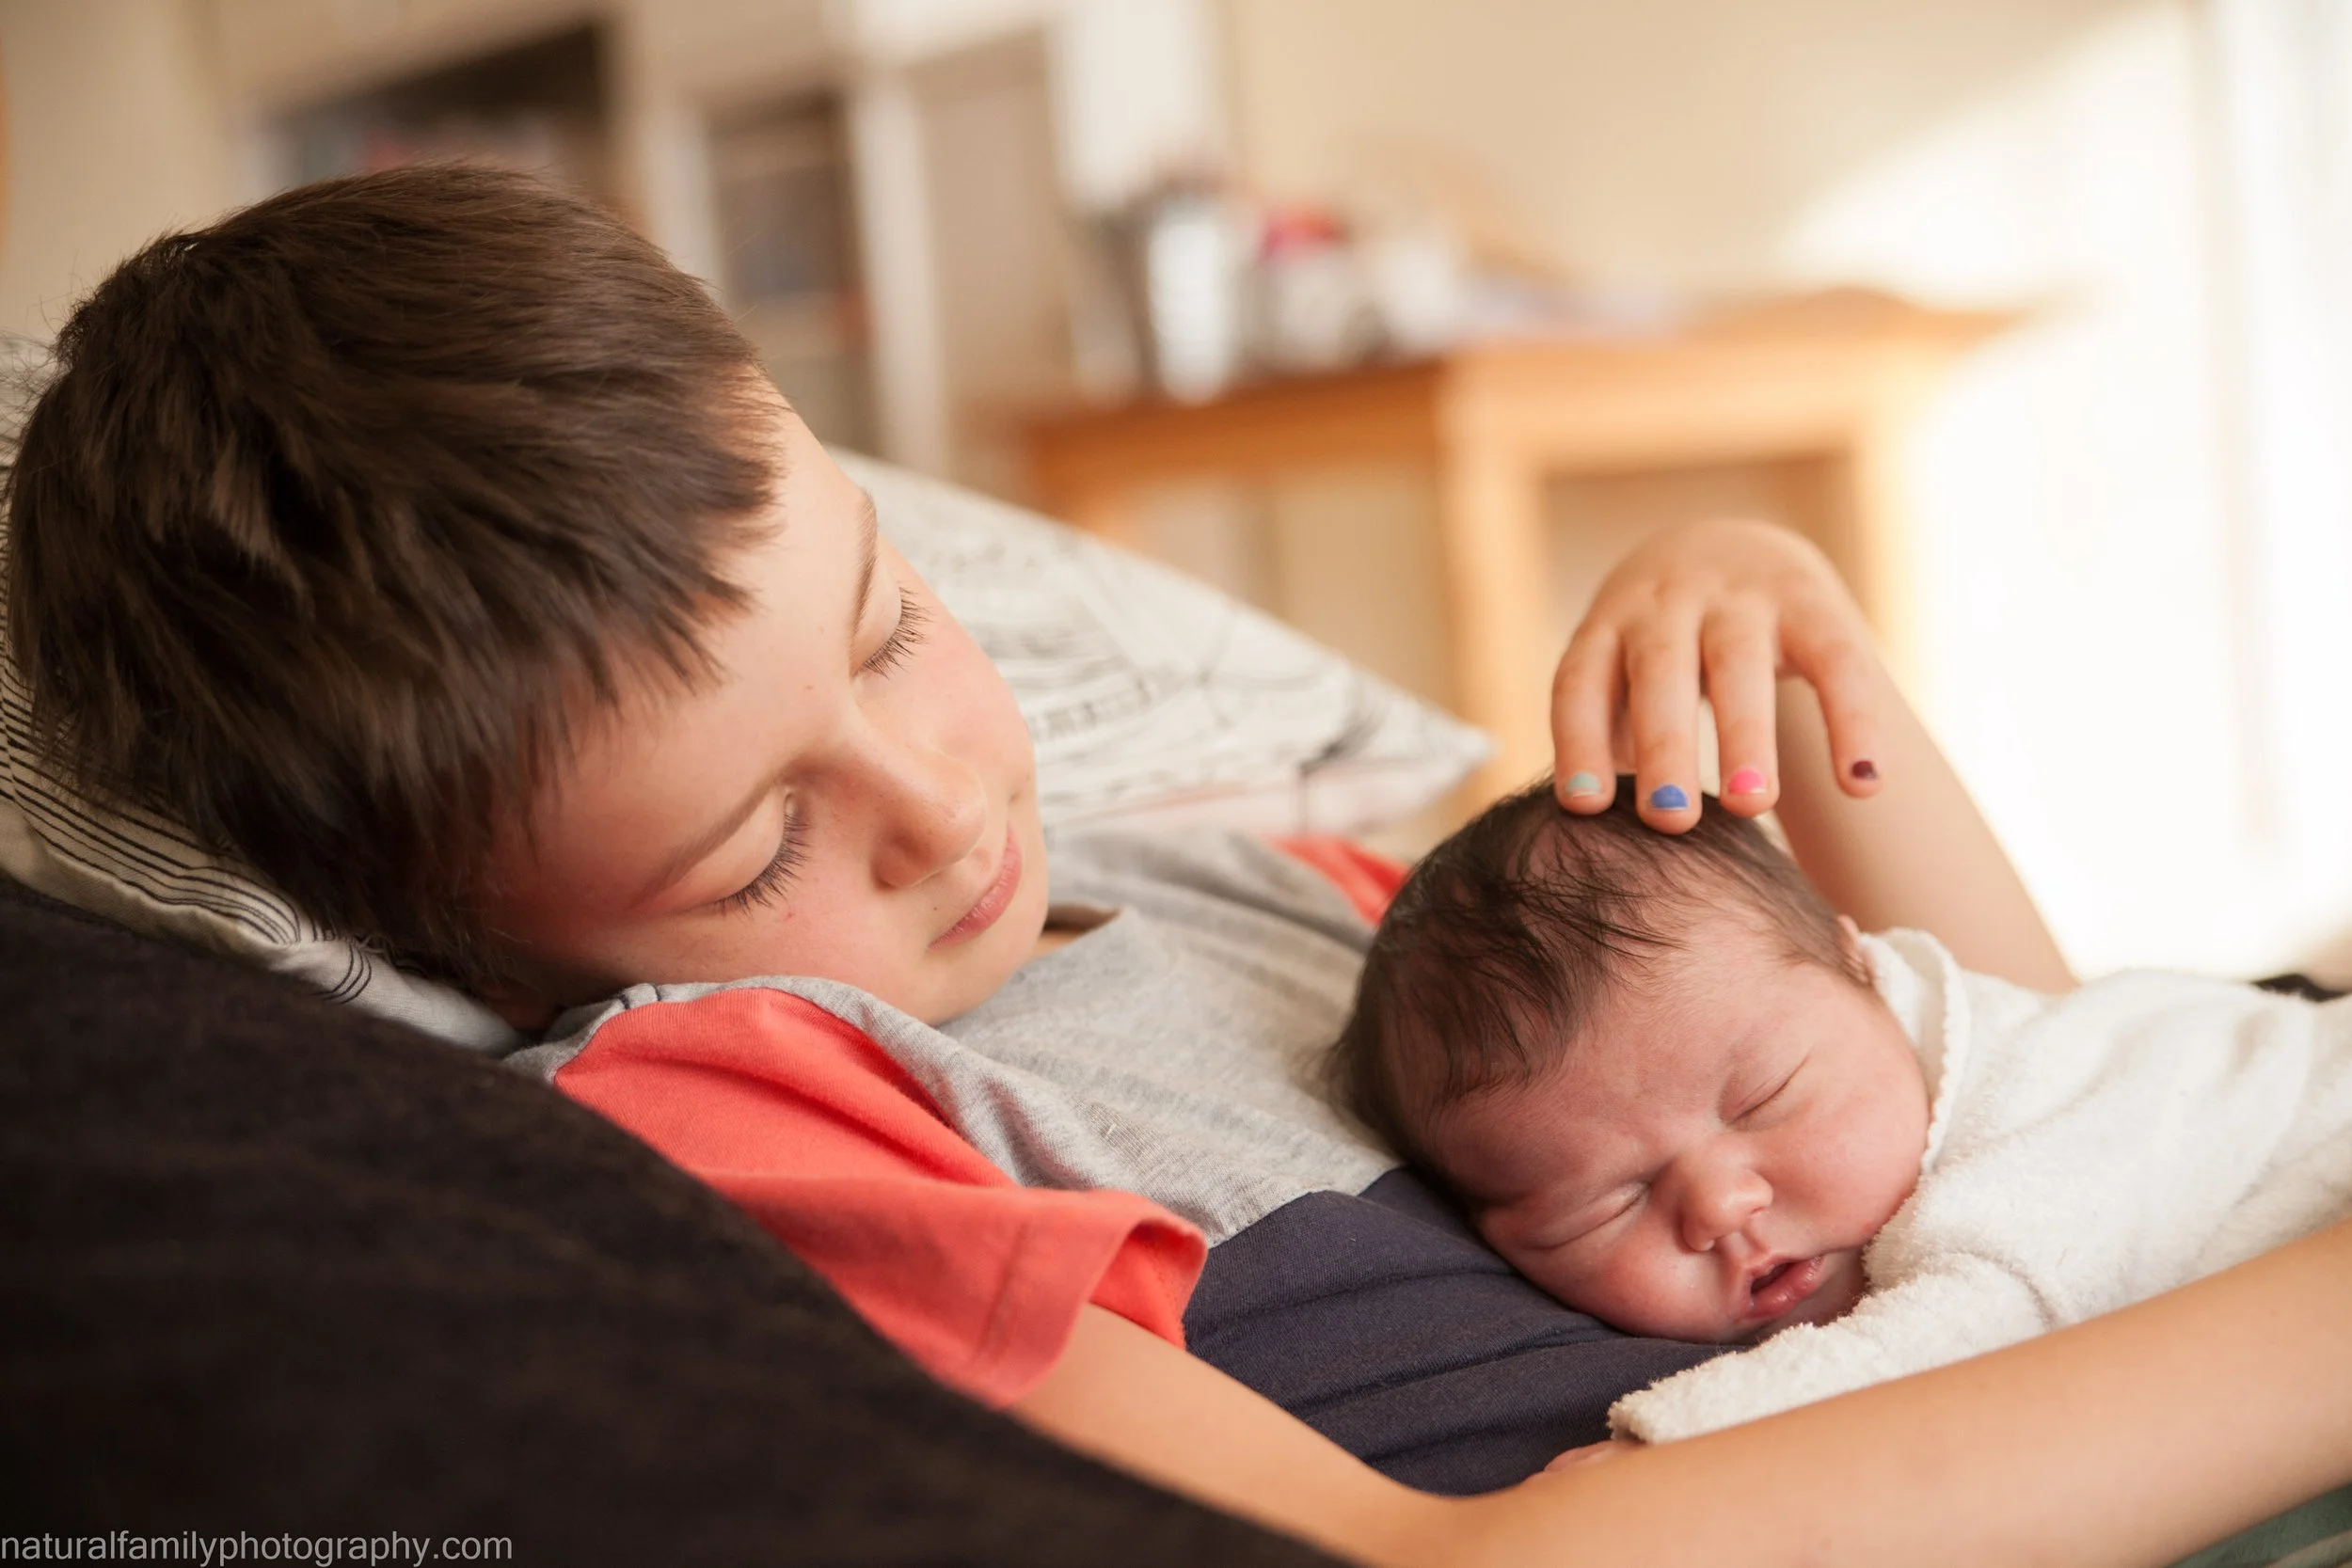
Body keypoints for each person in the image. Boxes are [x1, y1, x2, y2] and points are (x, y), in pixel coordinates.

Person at [8, 165, 2352, 1568]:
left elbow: (2040, 1114)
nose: (944, 807)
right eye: (754, 847)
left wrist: (1794, 628)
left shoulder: (1270, 880)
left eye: (895, 630)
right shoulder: (754, 1100)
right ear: (459, 932)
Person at [1333, 780, 2352, 1446]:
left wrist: (1652, 1451)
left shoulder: (2031, 1115)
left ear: (1861, 966)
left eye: (1763, 1095)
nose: (1722, 1204)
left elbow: (1947, 1364)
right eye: (1606, 1201)